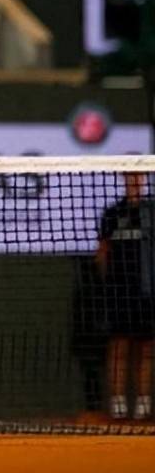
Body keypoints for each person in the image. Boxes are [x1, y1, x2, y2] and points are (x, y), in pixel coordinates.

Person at [96, 172, 155, 420]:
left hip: (147, 292)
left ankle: (143, 402)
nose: (135, 180)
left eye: (139, 176)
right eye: (131, 175)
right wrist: (110, 283)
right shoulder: (112, 214)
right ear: (123, 177)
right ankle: (118, 402)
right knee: (119, 345)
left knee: (147, 347)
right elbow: (103, 252)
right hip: (119, 292)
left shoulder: (152, 212)